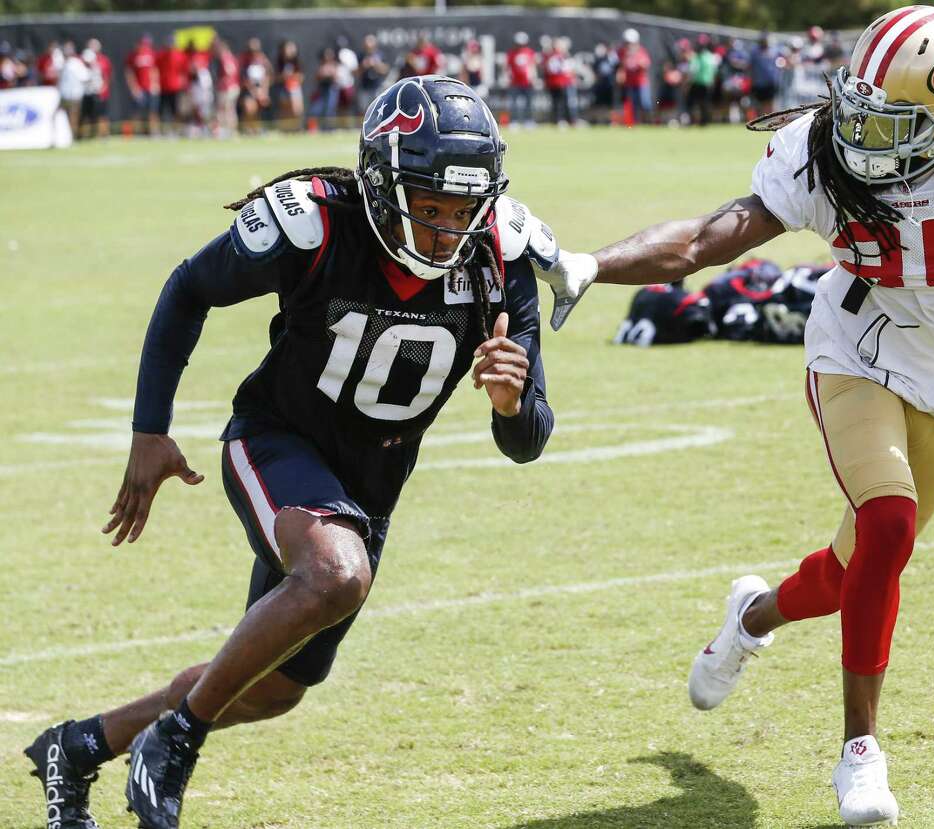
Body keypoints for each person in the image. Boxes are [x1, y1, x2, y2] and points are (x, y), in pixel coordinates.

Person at [534, 7, 934, 825]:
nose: (860, 130)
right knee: (887, 526)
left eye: (891, 118)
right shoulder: (817, 151)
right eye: (858, 103)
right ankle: (860, 753)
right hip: (860, 338)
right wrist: (592, 262)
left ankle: (750, 617)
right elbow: (707, 238)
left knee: (853, 573)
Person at [24, 75, 556, 829]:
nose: (446, 230)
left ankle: (77, 747)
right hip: (277, 436)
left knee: (273, 686)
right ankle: (176, 738)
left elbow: (528, 437)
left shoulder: (502, 257)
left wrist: (510, 402)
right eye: (429, 207)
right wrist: (150, 427)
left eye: (462, 210)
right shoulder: (317, 223)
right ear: (380, 185)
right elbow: (189, 287)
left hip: (372, 478)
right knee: (338, 573)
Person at [125, 34, 160, 135]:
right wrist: (134, 88)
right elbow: (129, 73)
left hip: (150, 88)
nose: (145, 46)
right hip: (139, 89)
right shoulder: (133, 56)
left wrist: (155, 84)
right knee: (136, 112)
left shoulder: (151, 54)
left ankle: (154, 132)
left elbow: (154, 70)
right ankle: (136, 132)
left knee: (153, 111)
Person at [617, 28, 652, 124]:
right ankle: (635, 122)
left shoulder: (641, 51)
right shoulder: (622, 52)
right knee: (633, 104)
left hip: (641, 82)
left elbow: (646, 64)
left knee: (645, 103)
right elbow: (621, 66)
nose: (628, 45)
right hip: (629, 83)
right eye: (627, 43)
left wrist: (639, 63)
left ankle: (649, 121)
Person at [239, 37, 273, 133]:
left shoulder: (263, 59)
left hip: (261, 90)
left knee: (259, 109)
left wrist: (264, 92)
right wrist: (254, 91)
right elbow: (243, 78)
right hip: (248, 90)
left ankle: (256, 129)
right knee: (249, 108)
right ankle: (247, 129)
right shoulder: (244, 60)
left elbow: (268, 75)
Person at [156, 38, 188, 134]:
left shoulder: (180, 55)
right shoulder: (161, 55)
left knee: (176, 110)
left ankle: (176, 130)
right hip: (163, 87)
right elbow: (155, 68)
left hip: (175, 87)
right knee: (161, 110)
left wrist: (183, 83)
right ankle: (161, 130)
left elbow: (184, 71)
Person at [507, 32, 536, 127]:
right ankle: (514, 121)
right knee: (514, 104)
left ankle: (529, 121)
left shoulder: (529, 52)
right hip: (515, 82)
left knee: (529, 103)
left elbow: (532, 66)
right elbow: (508, 67)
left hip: (527, 83)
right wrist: (508, 78)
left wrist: (534, 78)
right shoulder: (512, 53)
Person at [275, 40, 304, 129]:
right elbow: (276, 77)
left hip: (294, 88)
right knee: (285, 110)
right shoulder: (280, 61)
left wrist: (292, 78)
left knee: (297, 110)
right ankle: (285, 129)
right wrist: (284, 77)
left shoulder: (297, 61)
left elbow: (301, 77)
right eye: (288, 48)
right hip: (283, 88)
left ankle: (297, 128)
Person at [357, 33, 387, 113]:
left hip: (377, 86)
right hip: (365, 87)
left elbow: (385, 70)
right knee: (364, 110)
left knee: (377, 109)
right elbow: (356, 73)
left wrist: (376, 64)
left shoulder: (380, 55)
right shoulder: (361, 55)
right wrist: (364, 65)